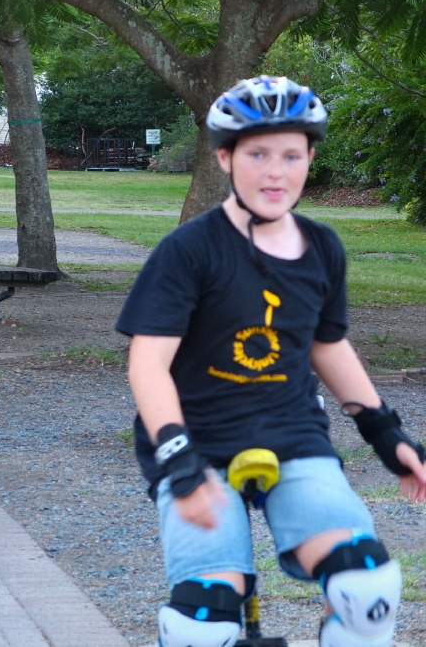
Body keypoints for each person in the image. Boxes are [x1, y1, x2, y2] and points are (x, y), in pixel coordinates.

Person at [115, 76, 426, 647]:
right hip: (197, 444)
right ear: (225, 158)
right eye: (257, 154)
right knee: (200, 625)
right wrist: (179, 458)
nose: (275, 172)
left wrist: (386, 432)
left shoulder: (322, 247)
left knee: (368, 589)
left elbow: (326, 345)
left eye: (291, 154)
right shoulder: (190, 250)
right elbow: (147, 363)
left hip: (293, 436)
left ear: (310, 157)